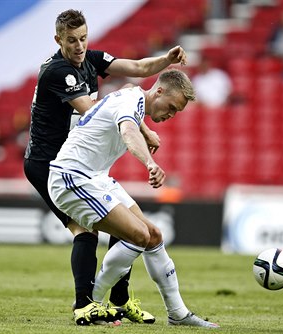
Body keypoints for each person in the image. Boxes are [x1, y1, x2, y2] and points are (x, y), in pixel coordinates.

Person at [23, 9, 188, 325]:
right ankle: (85, 305)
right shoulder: (58, 72)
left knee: (120, 216)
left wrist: (166, 60)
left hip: (81, 164)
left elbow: (139, 67)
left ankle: (120, 300)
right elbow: (94, 112)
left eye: (83, 38)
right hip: (48, 164)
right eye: (71, 40)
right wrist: (143, 126)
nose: (79, 46)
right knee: (84, 228)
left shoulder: (90, 60)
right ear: (58, 40)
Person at [48, 69, 220, 328]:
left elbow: (129, 88)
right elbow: (128, 132)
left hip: (95, 177)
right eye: (171, 107)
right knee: (138, 236)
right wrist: (150, 163)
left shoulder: (132, 96)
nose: (171, 115)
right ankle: (89, 303)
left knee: (153, 236)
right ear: (159, 91)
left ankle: (178, 313)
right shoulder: (130, 103)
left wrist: (146, 128)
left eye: (177, 112)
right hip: (72, 177)